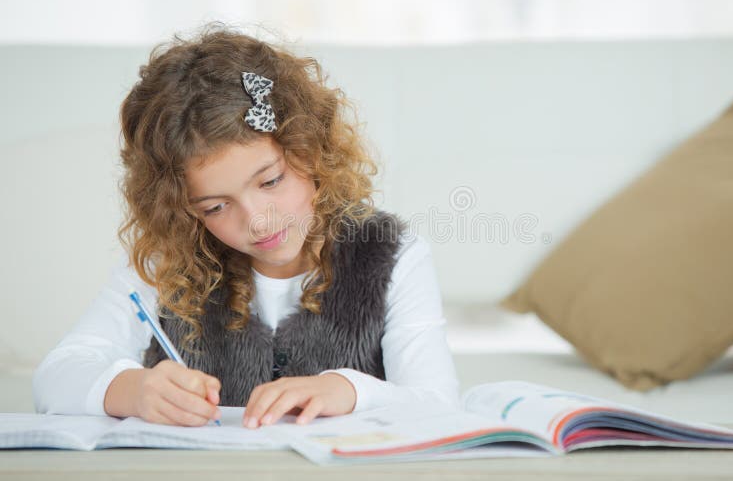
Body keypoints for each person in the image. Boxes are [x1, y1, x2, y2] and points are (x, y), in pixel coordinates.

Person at [32, 24, 460, 429]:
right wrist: (133, 389)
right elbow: (54, 377)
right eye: (216, 206)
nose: (257, 221)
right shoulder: (169, 265)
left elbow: (438, 402)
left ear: (311, 150)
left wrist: (348, 389)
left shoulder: (392, 255)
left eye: (271, 181)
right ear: (184, 209)